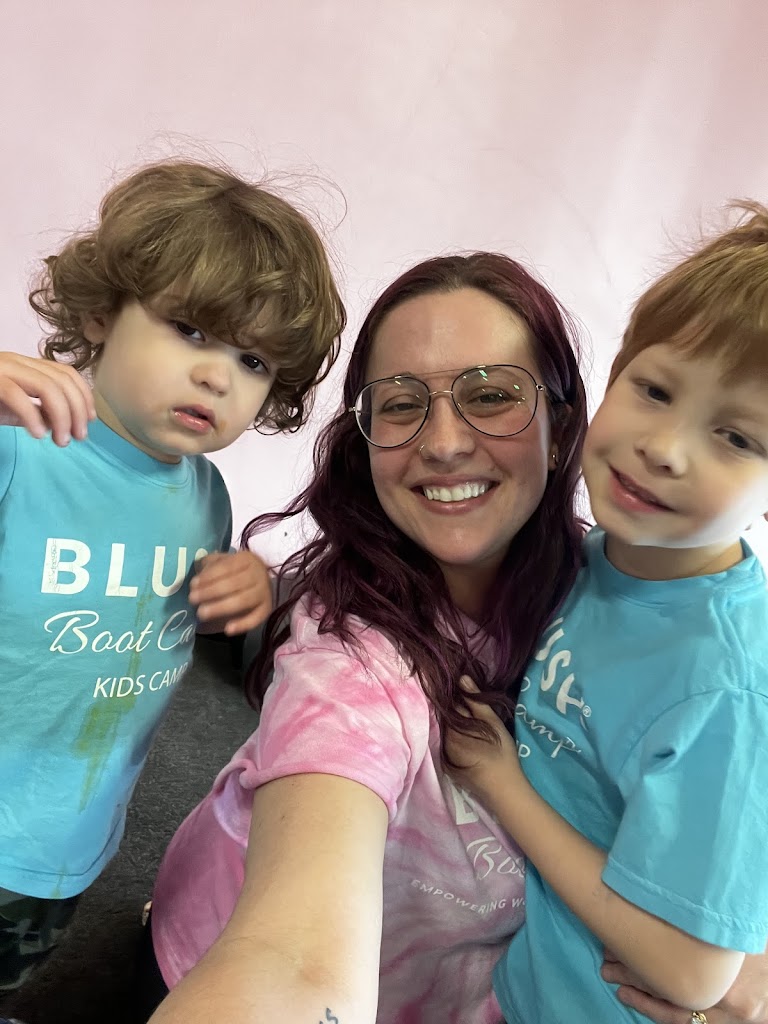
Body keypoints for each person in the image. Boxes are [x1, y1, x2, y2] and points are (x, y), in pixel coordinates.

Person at [137, 251, 588, 1023]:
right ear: (366, 439)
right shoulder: (347, 661)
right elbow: (292, 967)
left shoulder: (617, 601)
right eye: (402, 405)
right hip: (210, 943)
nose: (443, 443)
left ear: (560, 427)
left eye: (490, 395)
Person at [0, 158, 345, 994]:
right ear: (101, 312)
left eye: (254, 361)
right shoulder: (21, 448)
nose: (219, 376)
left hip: (71, 830)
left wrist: (248, 593)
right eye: (190, 330)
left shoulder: (205, 496)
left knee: (20, 962)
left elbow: (185, 615)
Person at [446, 203, 768, 1024]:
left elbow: (693, 973)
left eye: (738, 438)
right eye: (655, 390)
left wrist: (501, 784)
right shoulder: (599, 557)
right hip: (518, 982)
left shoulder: (724, 684)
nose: (664, 447)